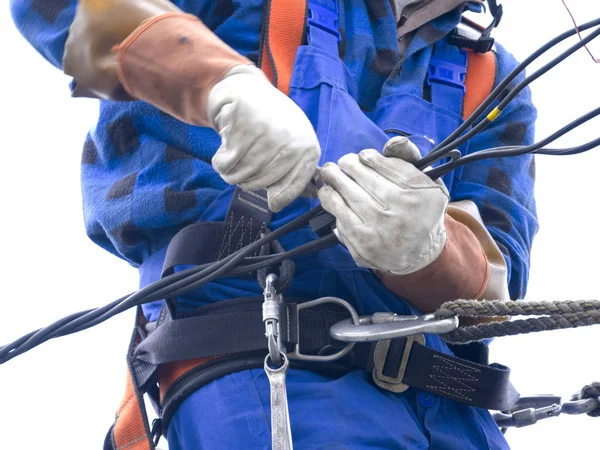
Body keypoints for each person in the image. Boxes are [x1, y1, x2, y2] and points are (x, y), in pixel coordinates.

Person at [10, 0, 538, 448]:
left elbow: (495, 288)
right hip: (263, 357)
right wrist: (218, 82)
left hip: (451, 409)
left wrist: (432, 253)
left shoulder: (490, 78)